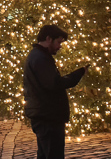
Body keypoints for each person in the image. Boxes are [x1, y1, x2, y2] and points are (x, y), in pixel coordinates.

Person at [23, 24, 87, 159]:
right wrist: (78, 74)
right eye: (58, 42)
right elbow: (54, 84)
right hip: (48, 117)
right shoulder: (40, 58)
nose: (59, 46)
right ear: (48, 39)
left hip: (45, 115)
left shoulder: (39, 56)